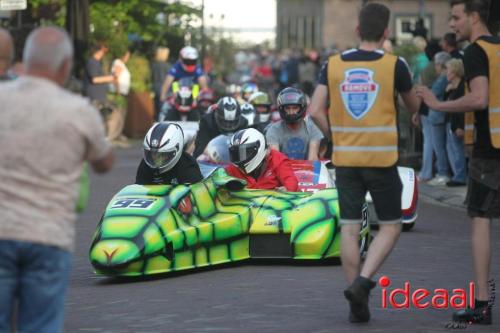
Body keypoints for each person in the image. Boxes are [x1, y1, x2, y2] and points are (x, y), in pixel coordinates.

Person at [309, 3, 420, 323]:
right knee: (390, 225)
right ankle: (363, 281)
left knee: (349, 228)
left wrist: (336, 137)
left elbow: (315, 110)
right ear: (386, 32)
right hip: (381, 159)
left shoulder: (331, 65)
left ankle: (354, 299)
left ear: (357, 30)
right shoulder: (394, 65)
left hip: (346, 159)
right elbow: (412, 105)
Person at [0, 27, 114, 333]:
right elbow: (105, 162)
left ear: (23, 61)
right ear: (64, 67)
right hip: (48, 237)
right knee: (40, 326)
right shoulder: (79, 111)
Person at [417, 0, 499, 325]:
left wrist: (437, 103)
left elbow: (479, 97)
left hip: (489, 149)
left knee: (480, 220)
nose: (452, 24)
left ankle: (482, 303)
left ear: (474, 17)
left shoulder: (475, 53)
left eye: (456, 17)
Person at [225, 128, 298, 191]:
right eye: (236, 154)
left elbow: (291, 181)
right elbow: (219, 178)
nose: (240, 158)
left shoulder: (276, 158)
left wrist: (287, 189)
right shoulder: (233, 168)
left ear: (259, 148)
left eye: (245, 153)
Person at [136, 122, 203, 185]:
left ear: (176, 150)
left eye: (162, 155)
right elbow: (139, 189)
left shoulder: (189, 166)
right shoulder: (146, 164)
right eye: (153, 154)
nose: (156, 159)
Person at [266, 87, 323, 160]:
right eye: (287, 108)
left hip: (305, 170)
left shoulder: (312, 128)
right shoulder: (273, 130)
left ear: (302, 107)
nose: (291, 112)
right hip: (282, 169)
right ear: (282, 109)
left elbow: (312, 159)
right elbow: (276, 159)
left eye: (295, 108)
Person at [426, 51, 452, 186]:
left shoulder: (442, 78)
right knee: (440, 146)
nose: (435, 67)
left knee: (439, 147)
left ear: (441, 65)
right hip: (438, 116)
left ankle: (443, 173)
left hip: (437, 116)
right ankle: (442, 172)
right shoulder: (443, 78)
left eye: (437, 64)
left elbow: (433, 94)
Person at [444, 58, 467, 186]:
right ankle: (457, 175)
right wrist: (447, 91)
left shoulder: (462, 87)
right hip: (451, 123)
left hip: (457, 125)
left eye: (448, 70)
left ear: (454, 72)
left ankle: (460, 177)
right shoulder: (453, 88)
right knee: (454, 151)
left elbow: (461, 109)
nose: (446, 73)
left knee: (458, 152)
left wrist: (460, 126)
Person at [83, 42, 116, 112]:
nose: (104, 53)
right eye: (103, 51)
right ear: (97, 51)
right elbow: (95, 79)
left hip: (98, 98)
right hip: (94, 98)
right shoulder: (92, 62)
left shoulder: (97, 62)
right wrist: (110, 78)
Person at [108, 49, 131, 147]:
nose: (128, 57)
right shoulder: (118, 63)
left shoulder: (121, 64)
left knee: (121, 114)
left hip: (122, 93)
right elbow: (115, 77)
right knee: (116, 114)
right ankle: (111, 136)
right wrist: (117, 91)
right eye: (127, 55)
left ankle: (117, 135)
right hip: (118, 93)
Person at [151, 47, 171, 119]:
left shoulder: (154, 65)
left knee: (157, 109)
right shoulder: (168, 66)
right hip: (165, 90)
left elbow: (152, 77)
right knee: (164, 110)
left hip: (156, 89)